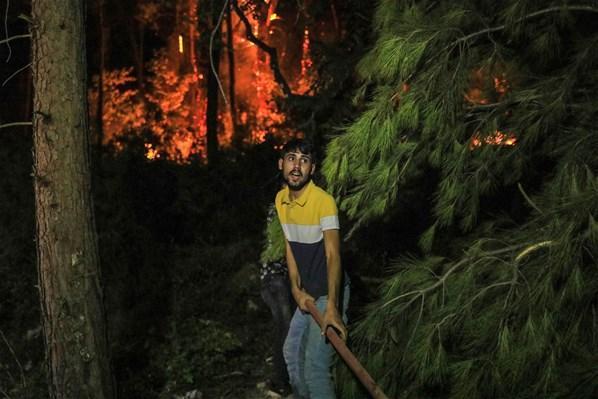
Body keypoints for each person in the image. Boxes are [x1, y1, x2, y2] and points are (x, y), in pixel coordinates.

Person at [275, 138, 350, 399]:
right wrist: (295, 290)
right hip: (307, 295)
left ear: (312, 169)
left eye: (304, 160)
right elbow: (289, 244)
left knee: (315, 370)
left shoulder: (323, 201)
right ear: (281, 163)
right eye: (291, 158)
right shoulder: (281, 200)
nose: (297, 166)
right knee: (291, 354)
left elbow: (333, 255)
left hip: (328, 292)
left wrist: (332, 305)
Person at [259, 204, 294, 396]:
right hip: (275, 279)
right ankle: (280, 381)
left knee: (285, 328)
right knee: (286, 327)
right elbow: (281, 246)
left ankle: (283, 379)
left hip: (282, 279)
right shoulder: (279, 209)